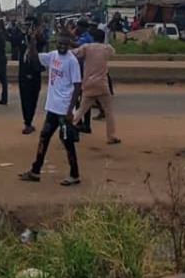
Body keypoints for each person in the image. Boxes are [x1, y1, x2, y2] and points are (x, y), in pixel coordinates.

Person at [19, 32, 82, 187]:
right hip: (52, 108)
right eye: (59, 43)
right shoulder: (53, 55)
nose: (61, 46)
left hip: (64, 109)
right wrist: (32, 43)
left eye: (64, 44)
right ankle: (35, 170)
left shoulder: (72, 61)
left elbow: (77, 86)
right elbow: (35, 58)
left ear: (69, 45)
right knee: (44, 138)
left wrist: (70, 110)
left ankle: (75, 174)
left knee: (67, 142)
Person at [73, 28, 119, 144]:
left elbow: (75, 53)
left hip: (88, 83)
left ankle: (67, 129)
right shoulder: (106, 48)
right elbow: (113, 52)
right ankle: (111, 136)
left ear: (92, 37)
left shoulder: (87, 47)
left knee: (81, 110)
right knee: (109, 111)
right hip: (102, 84)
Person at [18, 18, 46, 135]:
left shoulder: (39, 40)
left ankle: (28, 122)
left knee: (33, 99)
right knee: (25, 99)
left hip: (34, 73)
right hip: (24, 73)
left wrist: (34, 38)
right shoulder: (21, 38)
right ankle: (27, 123)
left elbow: (42, 43)